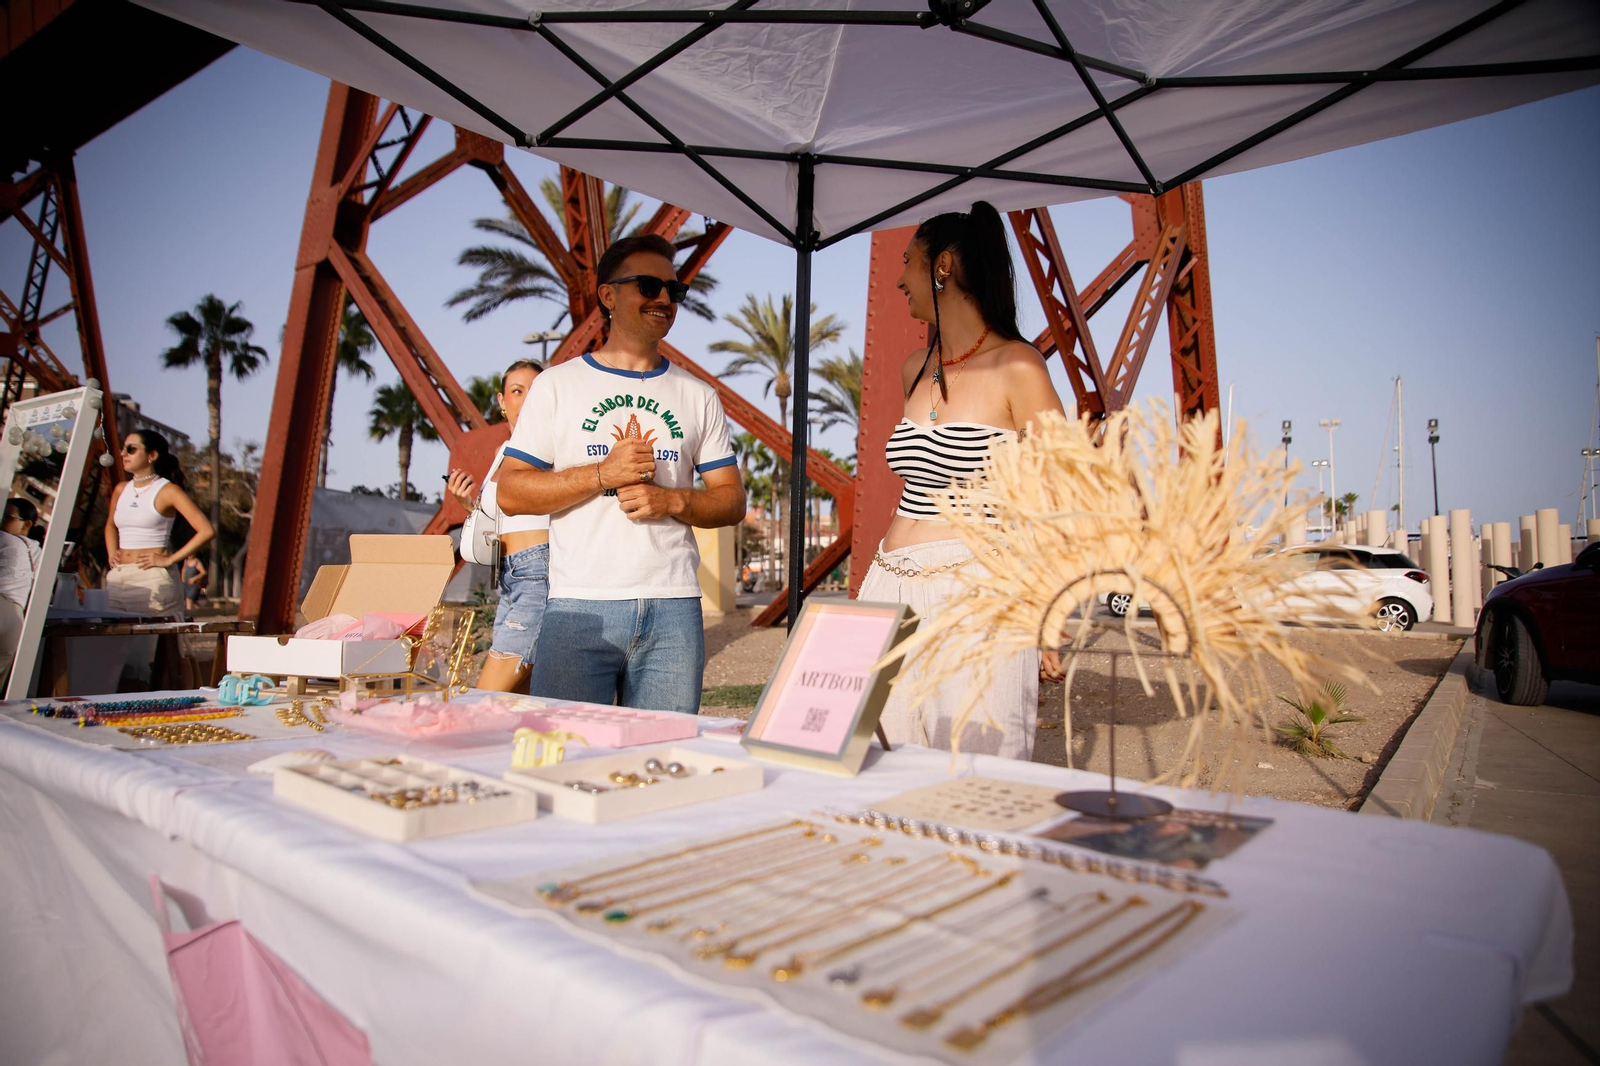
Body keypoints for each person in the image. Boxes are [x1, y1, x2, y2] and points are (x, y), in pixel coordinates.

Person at [497, 234, 745, 715]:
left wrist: (672, 501)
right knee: (564, 757)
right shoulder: (556, 386)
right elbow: (510, 491)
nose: (664, 300)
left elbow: (732, 501)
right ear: (608, 296)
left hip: (674, 607)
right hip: (578, 607)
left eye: (675, 291)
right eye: (649, 286)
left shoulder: (699, 396)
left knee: (663, 760)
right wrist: (601, 473)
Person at [856, 201, 1067, 760]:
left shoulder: (1018, 367)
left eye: (909, 262)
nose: (900, 279)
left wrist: (1047, 610)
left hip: (977, 589)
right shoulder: (914, 369)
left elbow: (1062, 496)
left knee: (977, 769)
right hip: (887, 587)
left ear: (942, 265)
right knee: (879, 764)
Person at [446, 359, 548, 693]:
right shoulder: (504, 452)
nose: (526, 399)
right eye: (517, 391)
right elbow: (502, 514)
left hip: (539, 573)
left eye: (535, 390)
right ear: (502, 402)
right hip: (509, 577)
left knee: (488, 695)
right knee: (518, 699)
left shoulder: (554, 445)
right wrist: (467, 503)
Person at [103, 430, 214, 617]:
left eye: (131, 449)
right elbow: (110, 526)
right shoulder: (121, 489)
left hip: (152, 578)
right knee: (115, 643)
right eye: (123, 449)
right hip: (118, 577)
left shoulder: (168, 490)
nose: (123, 454)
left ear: (152, 456)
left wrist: (170, 560)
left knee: (159, 643)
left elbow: (206, 530)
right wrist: (112, 553)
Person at [0, 498, 43, 689]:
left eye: (7, 516)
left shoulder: (4, 538)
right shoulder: (36, 549)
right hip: (17, 616)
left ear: (26, 524)